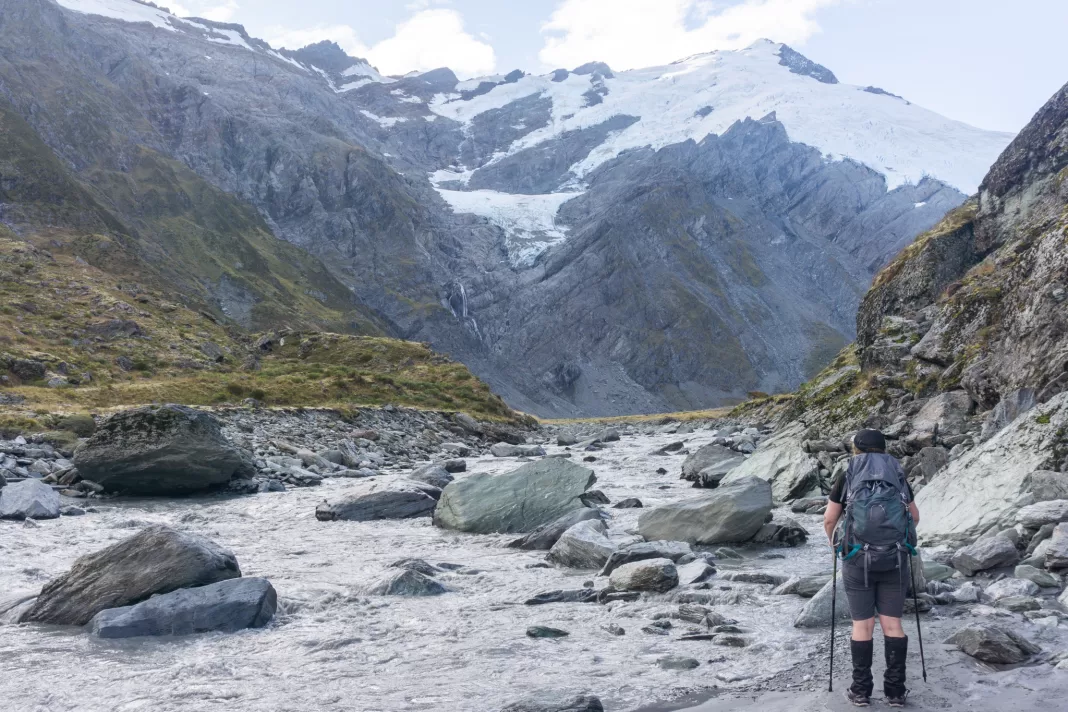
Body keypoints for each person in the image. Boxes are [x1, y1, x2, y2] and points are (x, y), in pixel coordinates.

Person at [823, 429, 920, 708]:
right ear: (883, 448)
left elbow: (830, 519)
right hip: (895, 560)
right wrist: (896, 542)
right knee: (892, 623)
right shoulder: (897, 475)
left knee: (862, 625)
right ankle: (895, 692)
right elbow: (913, 516)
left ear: (857, 449)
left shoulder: (848, 474)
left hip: (857, 559)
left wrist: (834, 546)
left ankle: (861, 691)